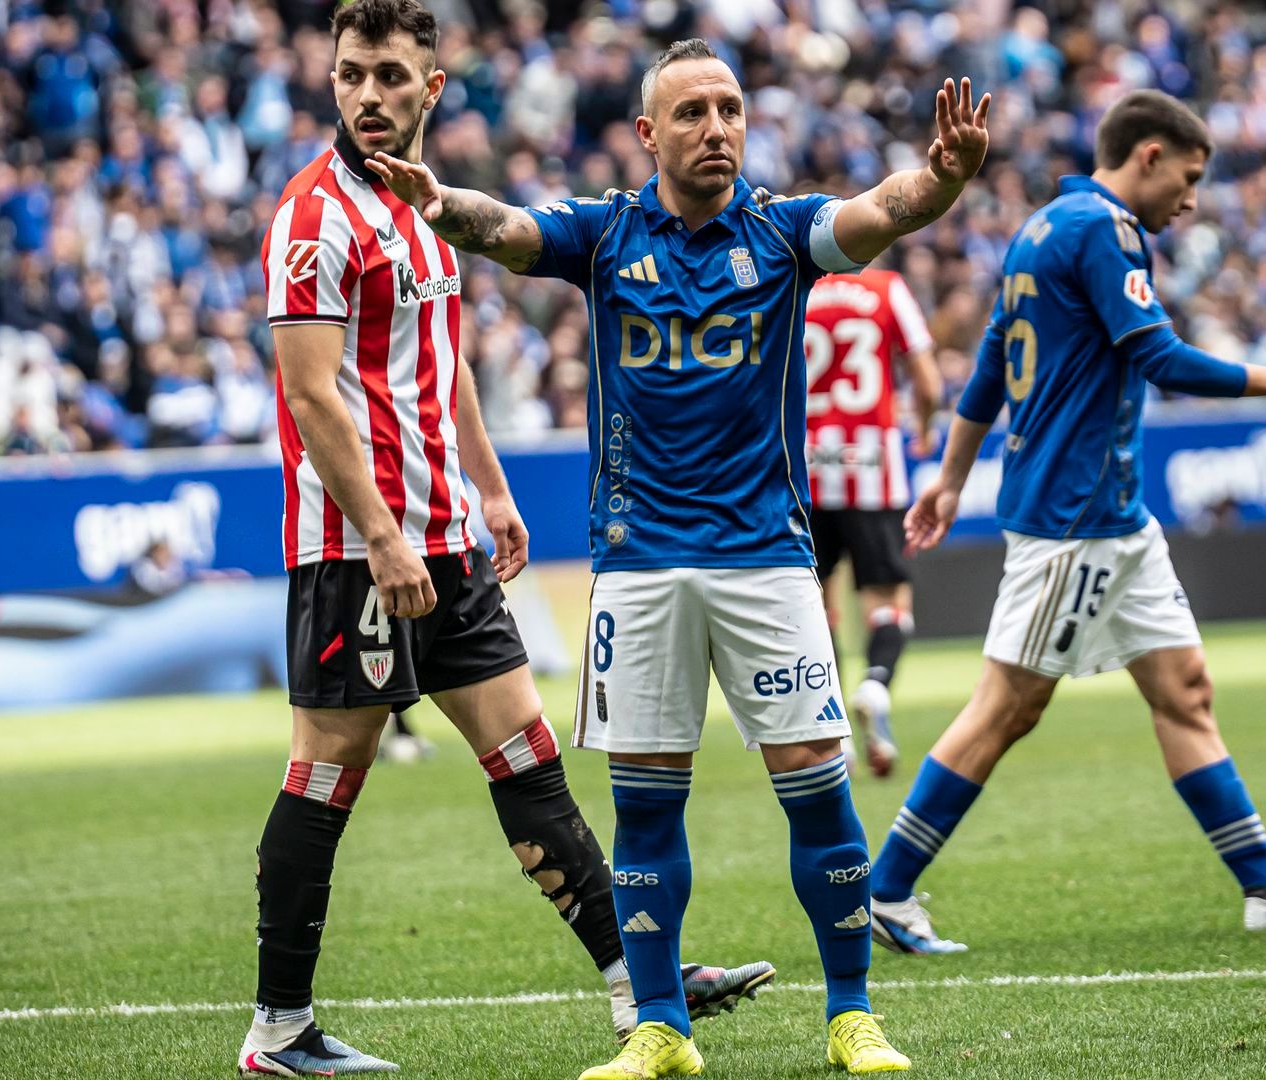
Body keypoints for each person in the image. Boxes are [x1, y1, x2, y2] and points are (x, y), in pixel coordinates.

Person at [375, 38, 993, 1078]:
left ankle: (853, 1016)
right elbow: (509, 230)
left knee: (818, 785)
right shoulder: (607, 234)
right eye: (693, 112)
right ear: (647, 133)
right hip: (641, 566)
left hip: (766, 562)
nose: (717, 127)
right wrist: (440, 202)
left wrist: (941, 179)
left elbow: (882, 211)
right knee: (646, 801)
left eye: (730, 108)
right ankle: (660, 1027)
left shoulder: (784, 231)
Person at [240, 4, 772, 1075]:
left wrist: (489, 491)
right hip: (359, 554)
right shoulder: (315, 219)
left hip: (448, 541)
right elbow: (309, 394)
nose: (369, 94)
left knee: (527, 754)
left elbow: (444, 364)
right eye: (351, 74)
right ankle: (278, 1029)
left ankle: (640, 994)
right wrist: (383, 536)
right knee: (326, 773)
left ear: (433, 89)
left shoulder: (424, 208)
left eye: (391, 74)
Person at [865, 90, 1266, 958]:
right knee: (1006, 709)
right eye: (1186, 179)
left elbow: (994, 360)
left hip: (1116, 515)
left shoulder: (1041, 228)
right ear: (1146, 155)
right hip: (1074, 519)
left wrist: (952, 479)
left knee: (1185, 691)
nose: (1189, 200)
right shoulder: (1105, 230)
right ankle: (886, 891)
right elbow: (1157, 355)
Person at [803, 267, 942, 778]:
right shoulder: (888, 288)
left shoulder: (797, 286)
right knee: (887, 605)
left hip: (804, 473)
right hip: (873, 469)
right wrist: (924, 431)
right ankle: (876, 685)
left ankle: (834, 734)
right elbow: (927, 383)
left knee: (816, 612)